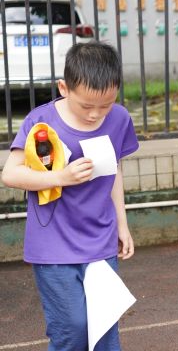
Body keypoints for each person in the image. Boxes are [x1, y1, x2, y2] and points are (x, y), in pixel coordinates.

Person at [1, 41, 138, 350]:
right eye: (86, 106)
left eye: (106, 105)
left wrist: (122, 224)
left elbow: (113, 171)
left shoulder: (119, 119)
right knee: (73, 330)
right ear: (64, 88)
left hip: (100, 239)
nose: (95, 114)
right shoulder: (41, 122)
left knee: (105, 329)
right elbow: (10, 174)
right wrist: (59, 177)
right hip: (53, 244)